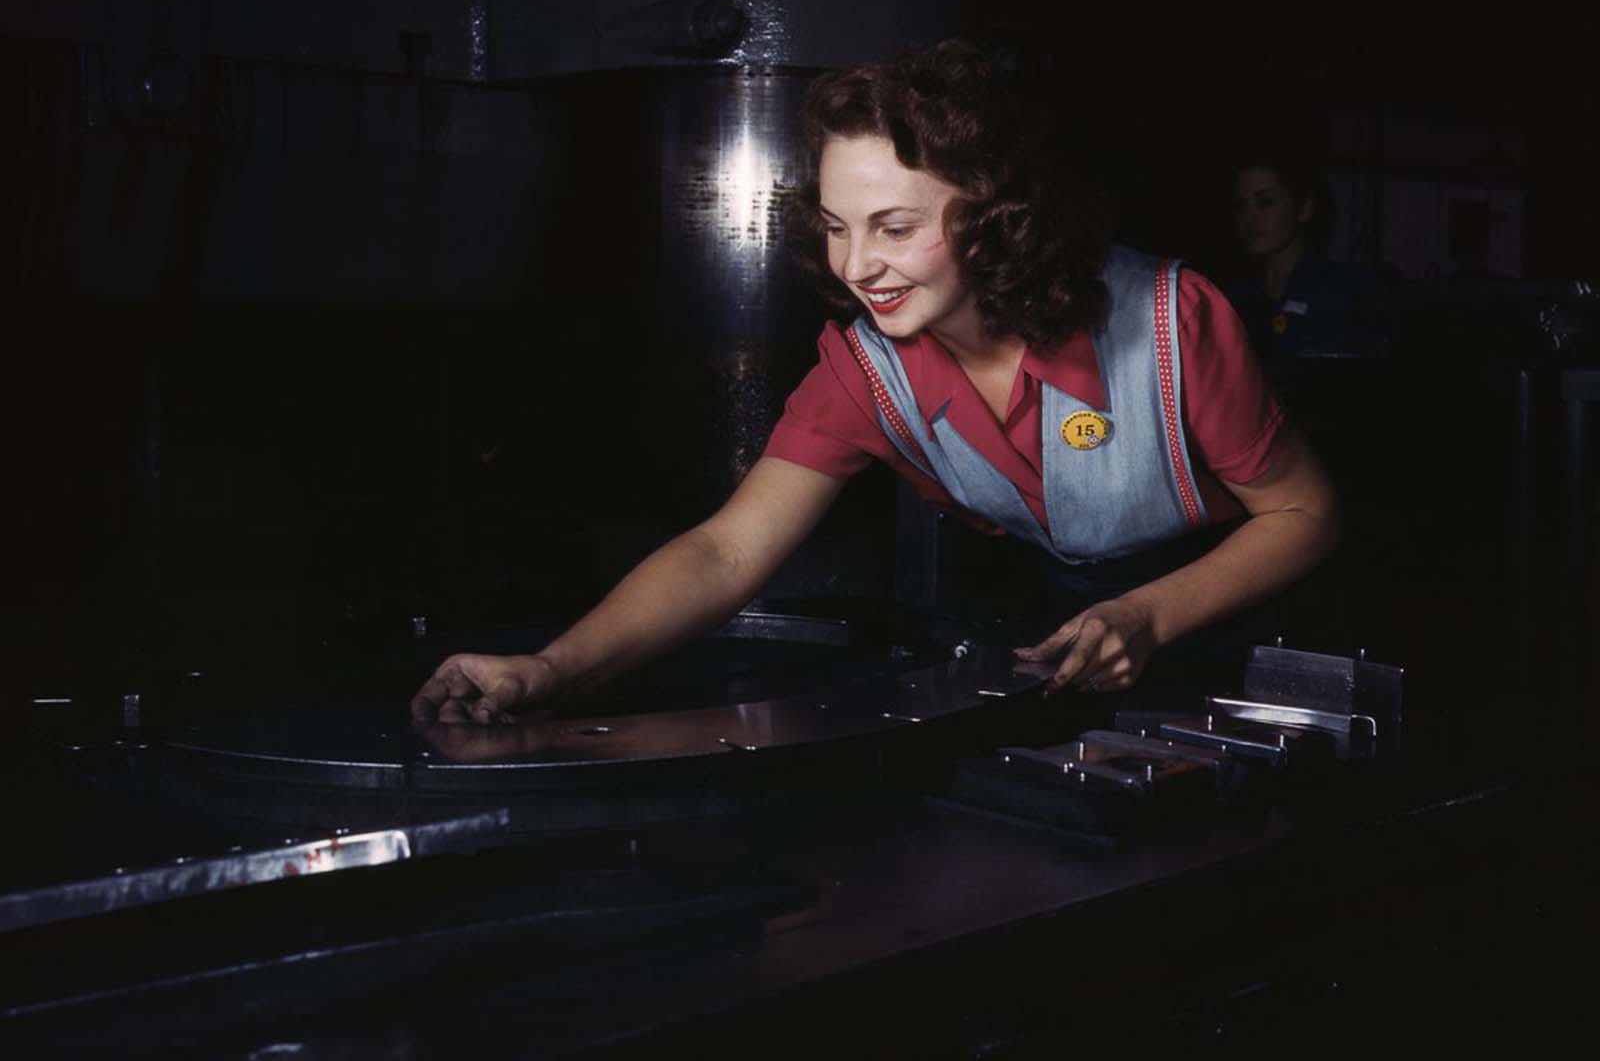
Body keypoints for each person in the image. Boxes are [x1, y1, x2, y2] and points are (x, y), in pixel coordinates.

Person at [412, 42, 1340, 725]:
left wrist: (1149, 613)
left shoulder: (1173, 321)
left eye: (894, 227)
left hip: (1234, 637)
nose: (857, 265)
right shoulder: (862, 369)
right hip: (1071, 644)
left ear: (995, 214)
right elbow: (726, 553)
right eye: (835, 226)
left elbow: (1305, 515)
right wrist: (549, 670)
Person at [1226, 155, 1389, 364]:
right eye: (1240, 205)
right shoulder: (1233, 299)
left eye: (1266, 202)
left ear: (1304, 209)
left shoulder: (1344, 291)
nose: (1250, 217)